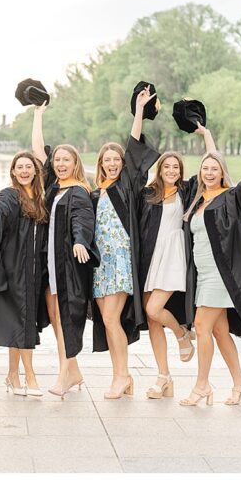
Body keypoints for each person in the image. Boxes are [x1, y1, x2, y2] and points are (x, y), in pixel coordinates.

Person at [179, 139, 241, 407]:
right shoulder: (197, 199)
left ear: (223, 172)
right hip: (203, 276)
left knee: (201, 326)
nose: (209, 173)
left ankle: (202, 386)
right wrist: (206, 135)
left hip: (220, 275)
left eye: (214, 169)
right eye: (205, 168)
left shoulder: (230, 197)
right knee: (220, 332)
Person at [88, 86, 160, 399]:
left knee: (110, 319)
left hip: (120, 261)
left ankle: (122, 376)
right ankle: (123, 376)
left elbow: (133, 150)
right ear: (100, 164)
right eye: (108, 160)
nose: (113, 164)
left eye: (116, 160)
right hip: (100, 263)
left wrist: (139, 112)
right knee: (108, 322)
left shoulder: (126, 186)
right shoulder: (95, 193)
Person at [137, 124, 216, 399]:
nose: (171, 171)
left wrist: (207, 136)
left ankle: (181, 333)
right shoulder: (147, 194)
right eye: (167, 167)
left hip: (174, 258)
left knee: (155, 308)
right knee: (151, 319)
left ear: (181, 171)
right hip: (150, 259)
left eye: (176, 168)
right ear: (159, 169)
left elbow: (212, 166)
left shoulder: (187, 190)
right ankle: (163, 377)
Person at [30, 103, 98, 398]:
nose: (59, 163)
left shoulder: (79, 191)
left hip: (67, 265)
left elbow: (83, 220)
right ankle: (73, 371)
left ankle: (64, 375)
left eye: (65, 160)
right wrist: (37, 116)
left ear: (75, 163)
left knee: (66, 318)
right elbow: (36, 153)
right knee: (57, 318)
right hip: (48, 263)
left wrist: (81, 241)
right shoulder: (54, 187)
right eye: (57, 159)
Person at [0, 151, 48, 397]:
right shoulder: (10, 195)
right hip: (15, 270)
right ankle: (30, 376)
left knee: (18, 324)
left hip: (33, 271)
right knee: (23, 325)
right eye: (19, 167)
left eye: (28, 166)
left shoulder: (40, 198)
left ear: (35, 170)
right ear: (12, 171)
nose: (23, 171)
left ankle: (12, 375)